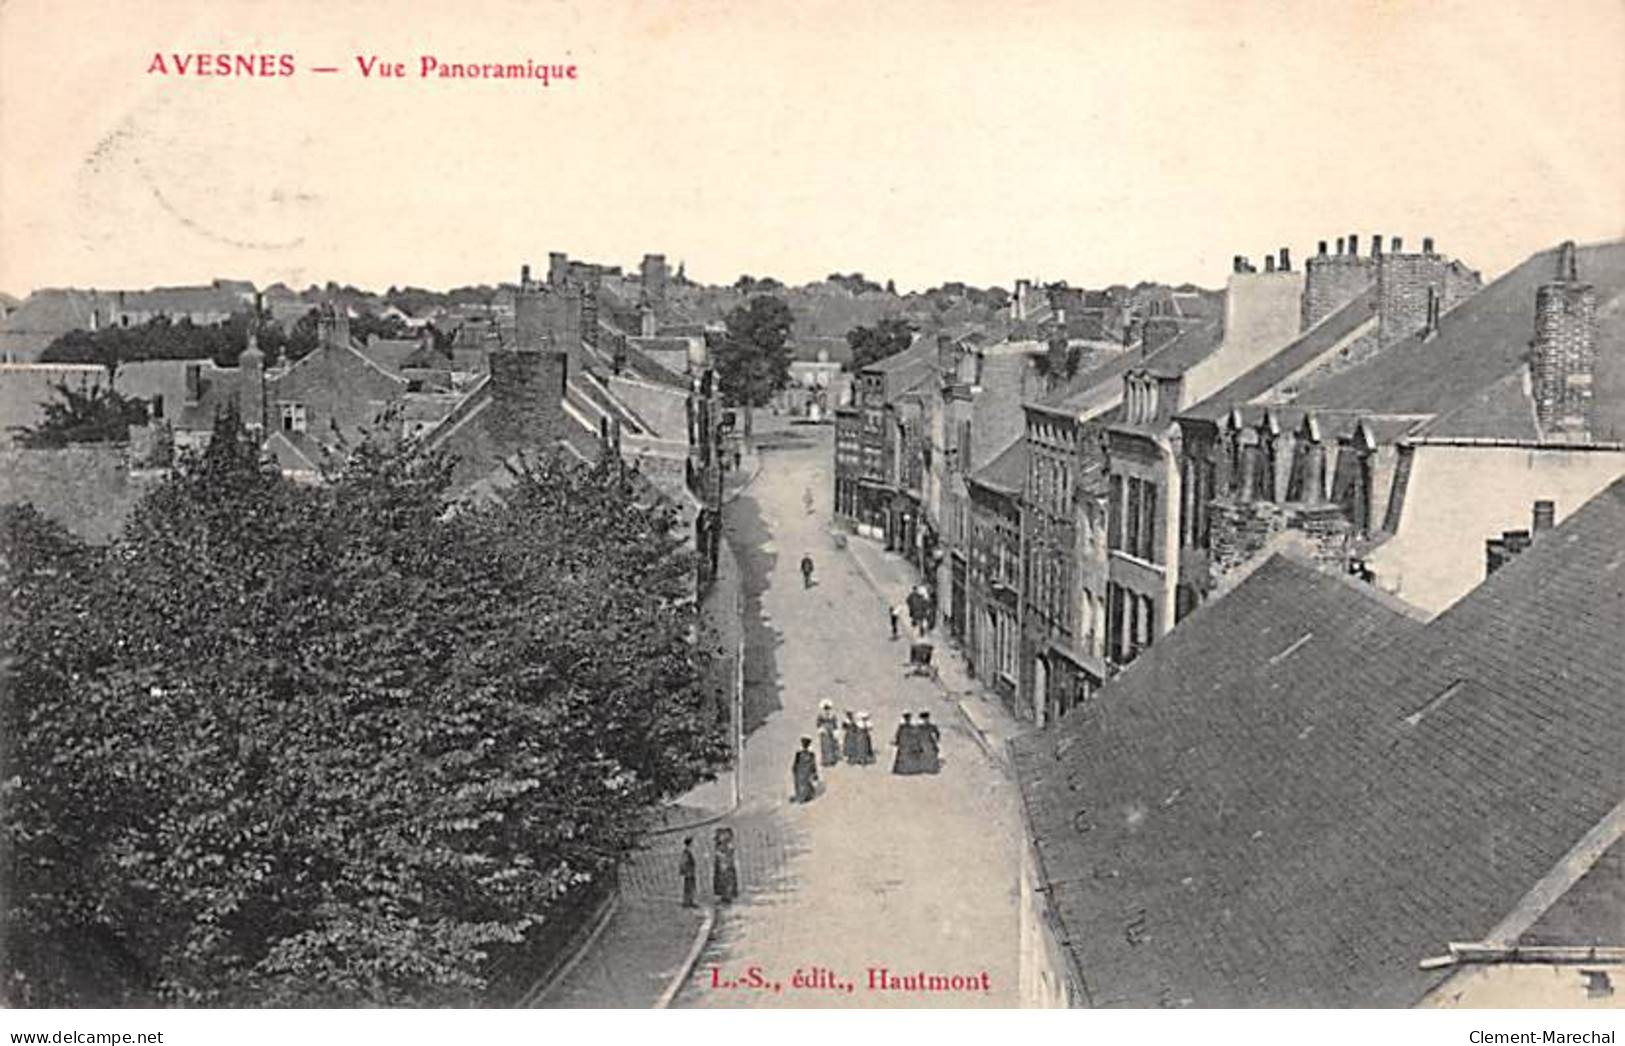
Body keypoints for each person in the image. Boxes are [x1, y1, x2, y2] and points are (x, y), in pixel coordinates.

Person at [712, 827, 739, 904]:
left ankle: (727, 895)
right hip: (724, 865)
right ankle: (725, 895)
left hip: (726, 866)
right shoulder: (720, 846)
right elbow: (720, 854)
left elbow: (729, 854)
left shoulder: (727, 846)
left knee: (727, 880)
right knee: (723, 880)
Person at [792, 737, 819, 802]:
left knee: (801, 784)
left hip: (801, 772)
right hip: (804, 772)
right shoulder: (810, 754)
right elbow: (813, 764)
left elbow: (796, 763)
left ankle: (803, 797)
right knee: (804, 784)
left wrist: (794, 769)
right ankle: (805, 796)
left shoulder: (799, 753)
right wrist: (814, 772)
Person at [679, 836, 698, 908]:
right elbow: (683, 862)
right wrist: (685, 871)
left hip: (690, 872)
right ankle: (688, 902)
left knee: (690, 886)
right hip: (689, 872)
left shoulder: (688, 851)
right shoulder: (686, 852)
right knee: (689, 887)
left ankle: (690, 901)